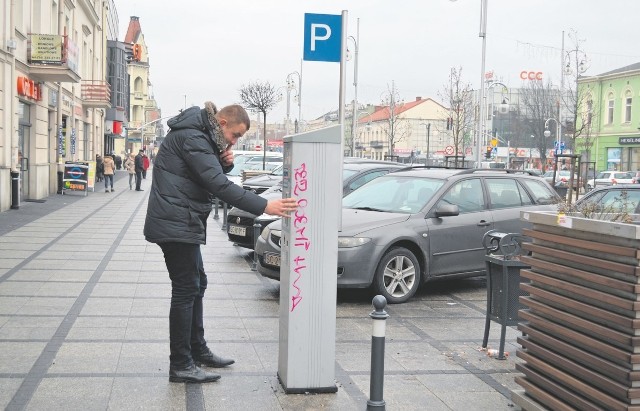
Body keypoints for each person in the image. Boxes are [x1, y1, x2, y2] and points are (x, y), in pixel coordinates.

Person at [144, 102, 297, 384]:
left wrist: (224, 161)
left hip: (181, 219)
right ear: (223, 123)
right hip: (176, 221)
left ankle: (196, 349)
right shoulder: (193, 137)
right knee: (186, 288)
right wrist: (265, 206)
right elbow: (218, 185)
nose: (235, 141)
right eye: (236, 135)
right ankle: (180, 364)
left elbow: (203, 173)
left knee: (197, 283)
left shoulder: (198, 135)